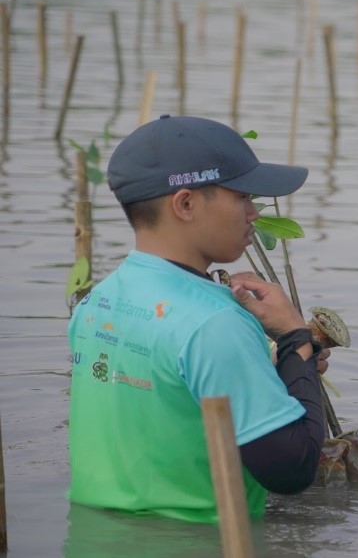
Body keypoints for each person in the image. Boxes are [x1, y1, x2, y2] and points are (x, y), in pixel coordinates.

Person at [67, 114, 329, 523]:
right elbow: (292, 469)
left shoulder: (95, 302)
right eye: (242, 196)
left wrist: (271, 366)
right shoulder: (217, 322)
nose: (253, 214)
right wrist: (297, 340)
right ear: (185, 204)